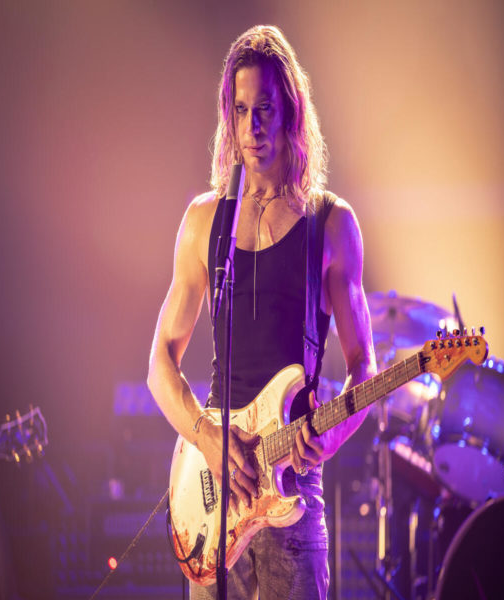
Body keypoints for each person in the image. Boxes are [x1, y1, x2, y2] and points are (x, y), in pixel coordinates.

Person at [147, 25, 376, 599]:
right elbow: (160, 363)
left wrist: (330, 436)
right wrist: (205, 437)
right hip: (216, 486)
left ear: (291, 112)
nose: (252, 127)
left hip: (292, 488)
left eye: (265, 109)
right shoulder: (204, 221)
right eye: (241, 110)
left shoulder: (331, 224)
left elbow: (364, 366)